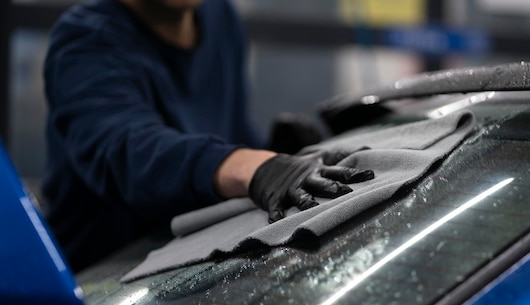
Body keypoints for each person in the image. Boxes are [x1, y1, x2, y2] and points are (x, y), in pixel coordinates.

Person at [42, 0, 374, 272]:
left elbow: (227, 133)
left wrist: (270, 152)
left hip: (192, 262)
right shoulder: (85, 42)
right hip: (99, 286)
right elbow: (130, 153)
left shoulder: (219, 17)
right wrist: (249, 166)